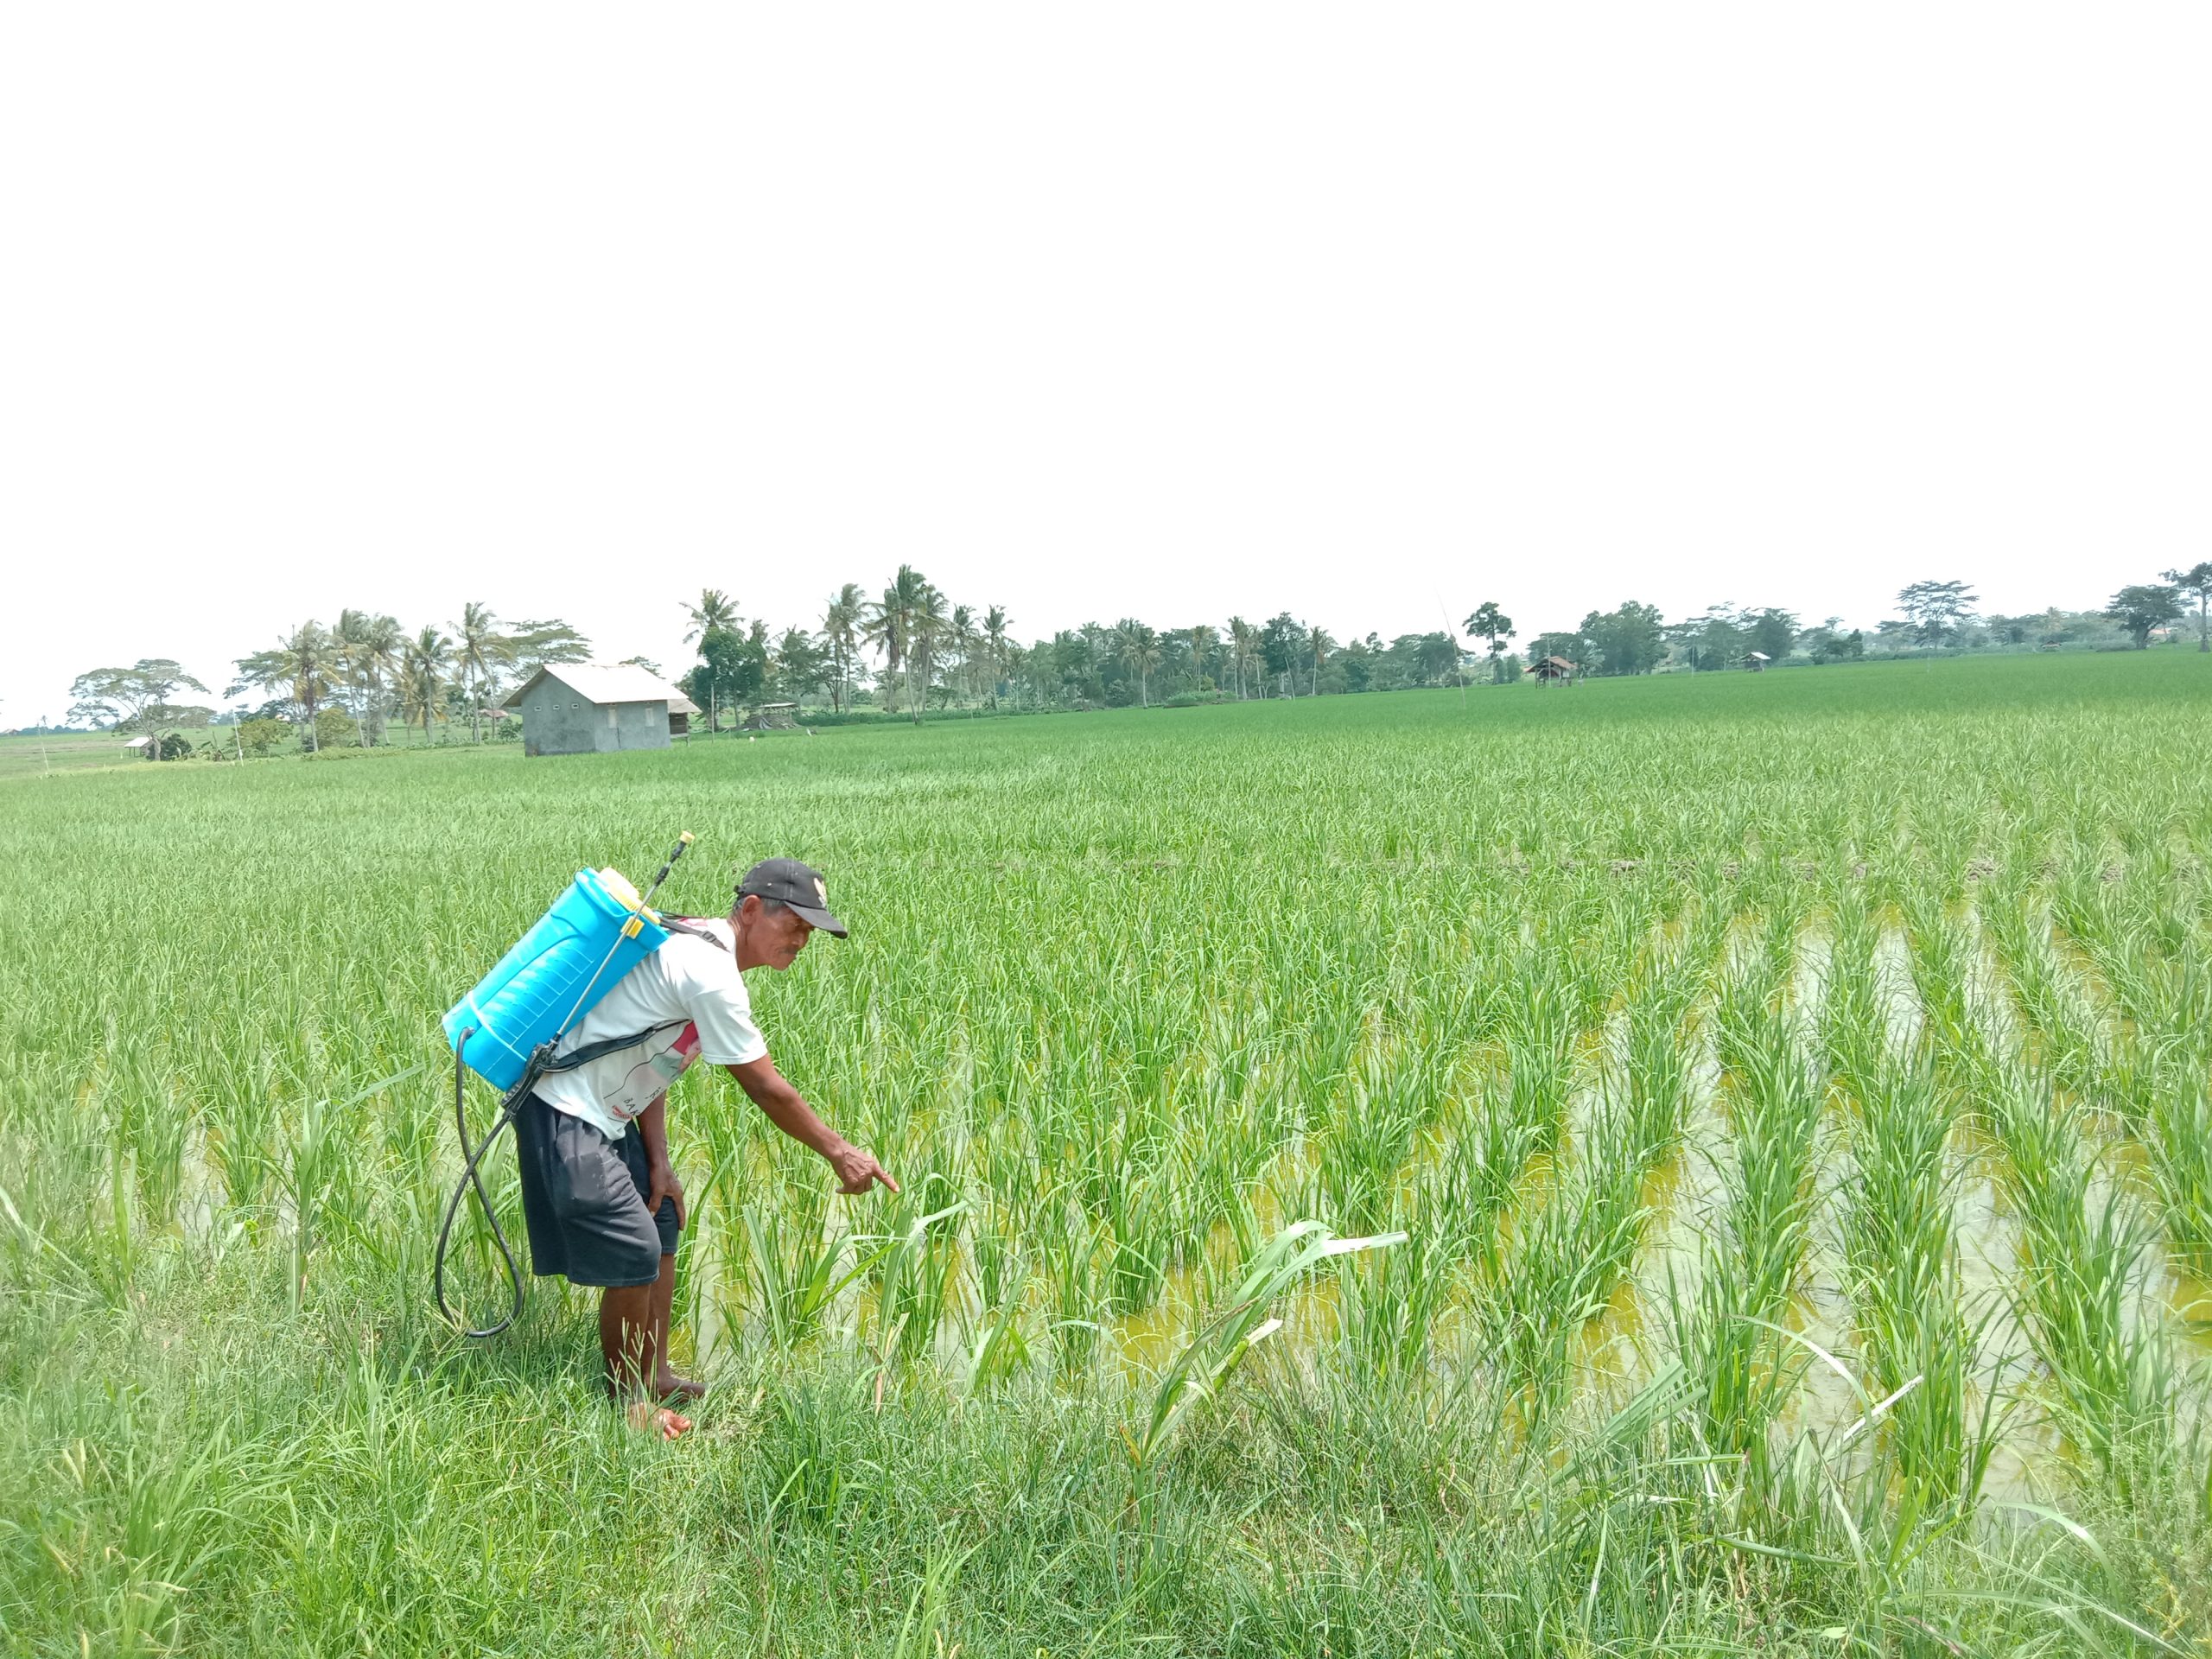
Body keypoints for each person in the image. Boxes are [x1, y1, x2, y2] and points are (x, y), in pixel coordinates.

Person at [512, 856, 897, 1438]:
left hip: (605, 1111)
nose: (802, 939)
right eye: (793, 923)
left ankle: (655, 1373)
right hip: (563, 1109)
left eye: (810, 930)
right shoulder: (710, 970)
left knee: (659, 1212)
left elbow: (654, 1060)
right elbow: (766, 1087)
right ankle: (628, 1407)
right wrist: (839, 1151)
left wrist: (659, 1161)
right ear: (748, 910)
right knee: (633, 1246)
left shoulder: (699, 949)